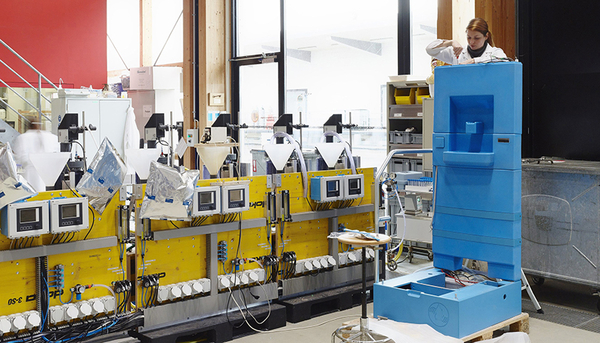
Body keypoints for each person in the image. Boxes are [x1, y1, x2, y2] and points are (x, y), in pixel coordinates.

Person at [426, 18, 507, 65]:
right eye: (469, 37)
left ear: (486, 36)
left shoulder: (495, 52)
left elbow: (504, 60)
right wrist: (450, 42)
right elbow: (430, 50)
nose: (471, 42)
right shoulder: (457, 53)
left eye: (476, 38)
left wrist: (474, 61)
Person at [12, 122, 60, 192]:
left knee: (31, 194)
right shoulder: (49, 136)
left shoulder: (23, 138)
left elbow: (18, 157)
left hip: (29, 173)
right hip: (40, 174)